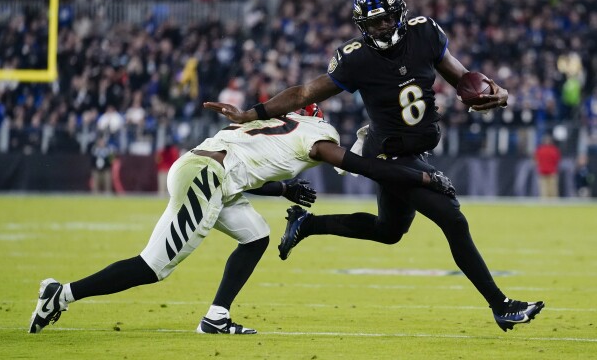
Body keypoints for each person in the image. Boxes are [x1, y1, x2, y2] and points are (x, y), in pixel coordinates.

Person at [205, 0, 544, 332]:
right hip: (387, 154)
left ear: (399, 13)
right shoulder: (355, 58)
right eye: (371, 23)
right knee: (452, 218)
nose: (379, 28)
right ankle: (501, 305)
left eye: (384, 20)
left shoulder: (425, 33)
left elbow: (463, 79)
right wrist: (252, 113)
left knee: (389, 231)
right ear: (360, 26)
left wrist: (498, 94)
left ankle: (308, 224)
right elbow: (305, 92)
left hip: (416, 149)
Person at [29, 104, 453, 335]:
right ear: (317, 118)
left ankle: (217, 315)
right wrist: (419, 175)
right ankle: (61, 294)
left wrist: (285, 189)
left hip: (210, 173)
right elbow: (359, 167)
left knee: (256, 235)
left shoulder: (277, 124)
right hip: (206, 177)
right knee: (152, 266)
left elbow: (248, 172)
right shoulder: (317, 136)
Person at [534, 134, 561, 198]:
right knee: (550, 190)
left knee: (547, 190)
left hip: (547, 171)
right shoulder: (553, 150)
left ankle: (546, 203)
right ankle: (551, 203)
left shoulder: (541, 150)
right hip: (548, 171)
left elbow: (536, 161)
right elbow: (557, 161)